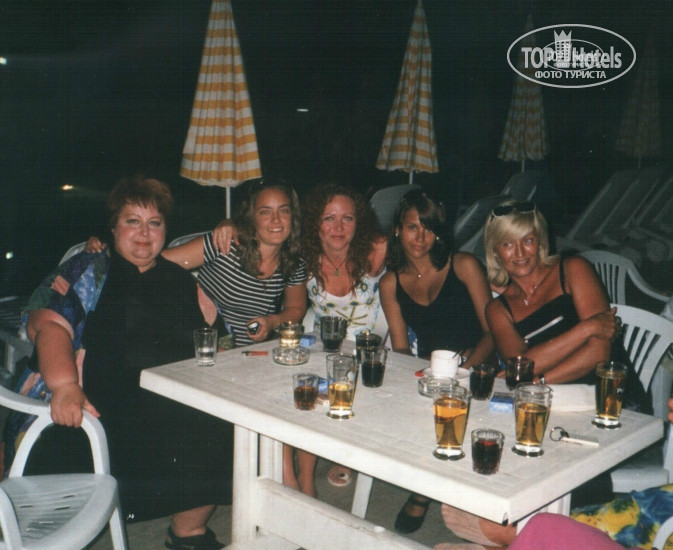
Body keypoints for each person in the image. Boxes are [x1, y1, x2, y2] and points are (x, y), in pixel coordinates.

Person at [3, 175, 232, 550]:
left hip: (170, 406)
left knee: (222, 426)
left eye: (154, 223)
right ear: (113, 228)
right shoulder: (88, 268)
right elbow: (49, 326)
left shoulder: (181, 281)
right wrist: (65, 387)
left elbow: (220, 342)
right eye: (132, 221)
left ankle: (188, 532)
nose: (144, 233)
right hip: (94, 406)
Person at [438, 199, 650, 548]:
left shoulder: (572, 270)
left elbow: (599, 354)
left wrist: (538, 382)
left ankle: (520, 537)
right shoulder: (498, 309)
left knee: (552, 464)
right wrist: (585, 329)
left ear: (541, 240)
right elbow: (519, 367)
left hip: (611, 404)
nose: (520, 252)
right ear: (495, 251)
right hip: (550, 405)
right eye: (508, 244)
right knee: (500, 450)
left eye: (528, 240)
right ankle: (524, 536)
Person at [210, 182, 386, 495]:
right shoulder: (304, 256)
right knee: (294, 378)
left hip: (367, 350)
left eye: (347, 218)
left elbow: (419, 245)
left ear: (359, 222)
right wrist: (228, 223)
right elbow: (265, 237)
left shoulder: (376, 251)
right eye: (328, 218)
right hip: (320, 343)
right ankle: (292, 477)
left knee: (318, 378)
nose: (338, 227)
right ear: (315, 222)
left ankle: (313, 474)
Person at [379, 189, 495, 534]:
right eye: (412, 227)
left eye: (429, 228)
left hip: (481, 367)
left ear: (439, 233)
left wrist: (465, 370)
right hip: (434, 371)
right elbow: (401, 349)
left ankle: (425, 494)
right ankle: (425, 487)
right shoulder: (390, 283)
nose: (420, 238)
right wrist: (421, 379)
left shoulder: (463, 266)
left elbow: (493, 331)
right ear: (398, 230)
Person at [88, 179, 307, 347]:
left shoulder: (293, 260)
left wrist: (272, 321)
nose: (276, 220)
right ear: (252, 216)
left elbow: (296, 308)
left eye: (284, 210)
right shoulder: (225, 243)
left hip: (255, 354)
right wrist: (105, 250)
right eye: (265, 211)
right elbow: (153, 260)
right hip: (206, 349)